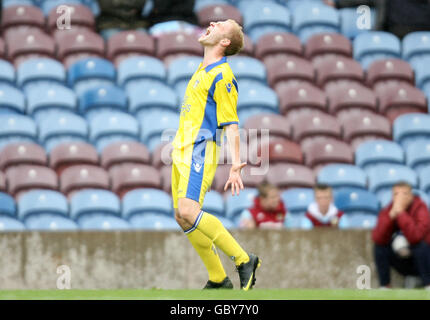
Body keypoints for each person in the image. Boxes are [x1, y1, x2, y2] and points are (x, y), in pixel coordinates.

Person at [171, 19, 261, 290]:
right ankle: (218, 278)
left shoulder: (223, 76)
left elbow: (231, 122)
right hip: (182, 148)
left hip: (200, 148)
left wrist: (236, 164)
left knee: (189, 210)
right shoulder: (203, 68)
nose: (212, 23)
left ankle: (244, 259)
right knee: (181, 214)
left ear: (224, 42)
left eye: (220, 25)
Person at [372, 182, 430, 289]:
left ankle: (428, 285)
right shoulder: (389, 209)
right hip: (401, 260)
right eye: (396, 194)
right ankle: (385, 286)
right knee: (380, 246)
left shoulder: (421, 208)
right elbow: (378, 237)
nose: (399, 198)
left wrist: (401, 213)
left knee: (421, 246)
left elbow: (416, 236)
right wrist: (390, 217)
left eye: (404, 194)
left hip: (423, 260)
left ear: (411, 195)